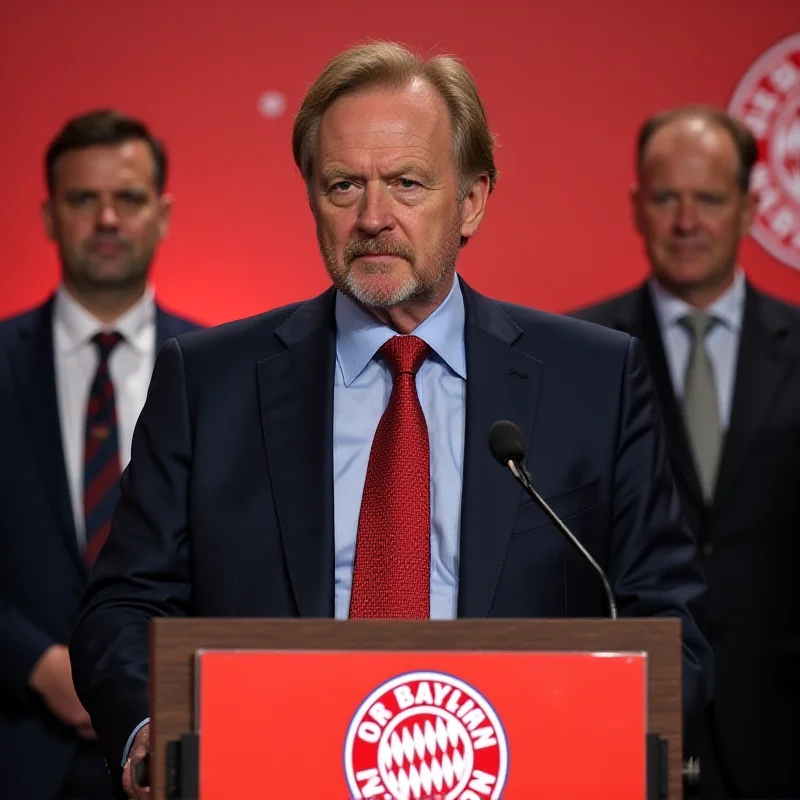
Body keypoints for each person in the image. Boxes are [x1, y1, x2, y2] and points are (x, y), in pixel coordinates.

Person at [70, 44, 711, 800]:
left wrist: (600, 741)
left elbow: (668, 624)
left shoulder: (594, 380)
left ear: (472, 200)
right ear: (311, 197)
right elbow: (122, 607)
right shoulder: (208, 383)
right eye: (343, 186)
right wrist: (156, 732)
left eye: (407, 183)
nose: (374, 218)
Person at [572, 105, 800, 798]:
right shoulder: (578, 356)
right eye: (667, 198)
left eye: (709, 199)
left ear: (750, 207)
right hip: (633, 729)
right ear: (637, 207)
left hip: (786, 730)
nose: (686, 223)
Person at [0, 110, 201, 800]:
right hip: (18, 742)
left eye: (129, 198)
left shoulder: (226, 374)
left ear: (164, 214)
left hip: (177, 749)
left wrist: (141, 691)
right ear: (50, 216)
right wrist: (32, 661)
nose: (107, 219)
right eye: (84, 199)